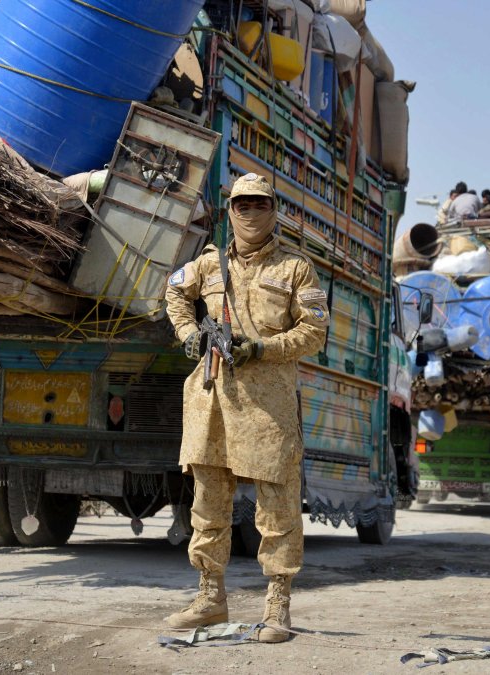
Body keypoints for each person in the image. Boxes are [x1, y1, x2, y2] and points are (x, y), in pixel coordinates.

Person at [163, 172, 328, 643]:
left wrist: (262, 348)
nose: (251, 213)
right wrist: (189, 335)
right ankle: (210, 598)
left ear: (273, 209)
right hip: (212, 402)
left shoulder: (297, 269)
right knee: (208, 505)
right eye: (242, 205)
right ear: (230, 210)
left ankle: (277, 606)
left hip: (269, 407)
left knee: (276, 508)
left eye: (260, 204)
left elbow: (314, 333)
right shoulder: (208, 264)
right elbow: (174, 293)